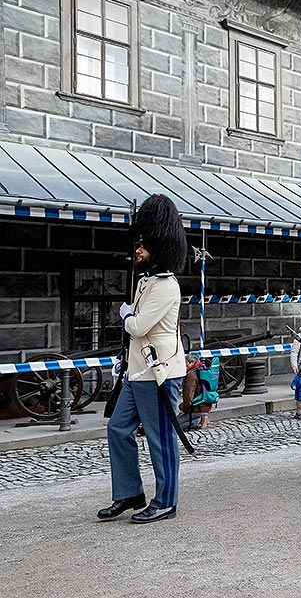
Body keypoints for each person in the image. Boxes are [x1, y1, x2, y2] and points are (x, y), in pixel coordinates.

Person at [99, 194, 187, 524]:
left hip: (159, 372)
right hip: (137, 372)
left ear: (159, 248)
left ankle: (167, 500)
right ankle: (129, 492)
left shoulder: (166, 286)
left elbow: (138, 326)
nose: (138, 250)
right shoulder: (146, 281)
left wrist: (125, 317)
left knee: (160, 438)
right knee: (118, 428)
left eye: (144, 245)